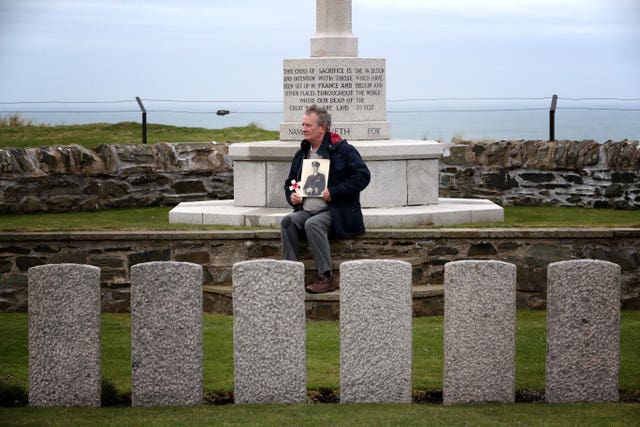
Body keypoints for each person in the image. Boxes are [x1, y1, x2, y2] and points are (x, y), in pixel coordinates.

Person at [281, 105, 370, 294]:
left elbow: (363, 176)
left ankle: (326, 277)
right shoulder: (302, 153)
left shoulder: (343, 150)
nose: (303, 128)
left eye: (308, 125)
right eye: (303, 124)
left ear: (322, 128)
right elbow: (290, 182)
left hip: (336, 211)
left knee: (313, 224)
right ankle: (290, 274)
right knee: (288, 221)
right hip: (306, 209)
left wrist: (335, 191)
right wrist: (292, 196)